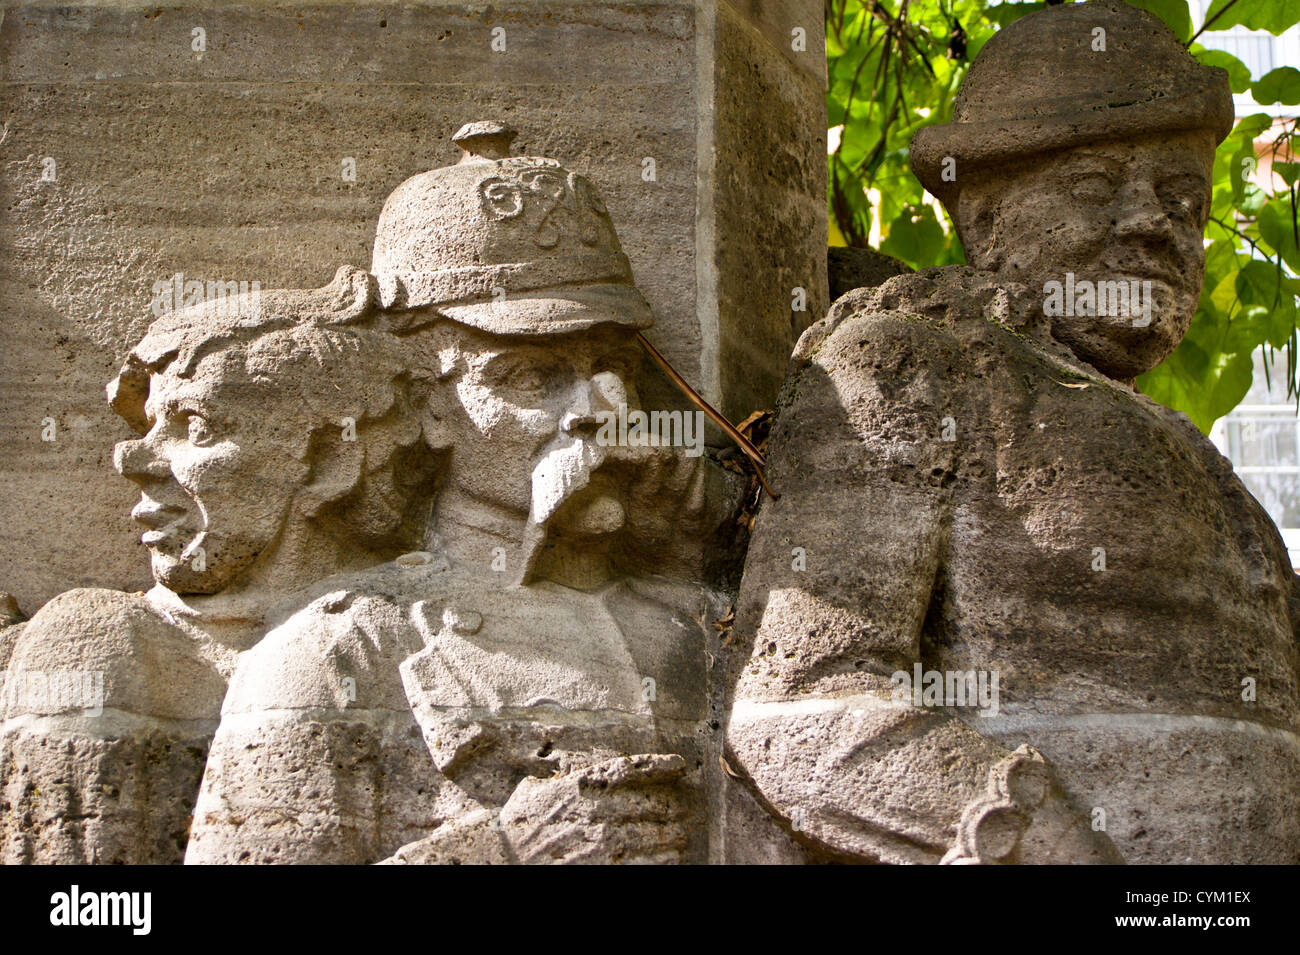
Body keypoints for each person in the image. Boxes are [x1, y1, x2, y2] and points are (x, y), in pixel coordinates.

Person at [725, 0, 1300, 864]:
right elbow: (799, 708)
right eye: (1097, 187)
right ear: (984, 216)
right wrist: (1030, 832)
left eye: (1184, 199)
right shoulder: (906, 363)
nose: (1153, 221)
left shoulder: (1197, 457)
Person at [184, 123, 727, 864]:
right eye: (530, 377)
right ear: (430, 406)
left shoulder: (697, 632)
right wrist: (504, 850)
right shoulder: (335, 655)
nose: (599, 409)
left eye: (610, 366)